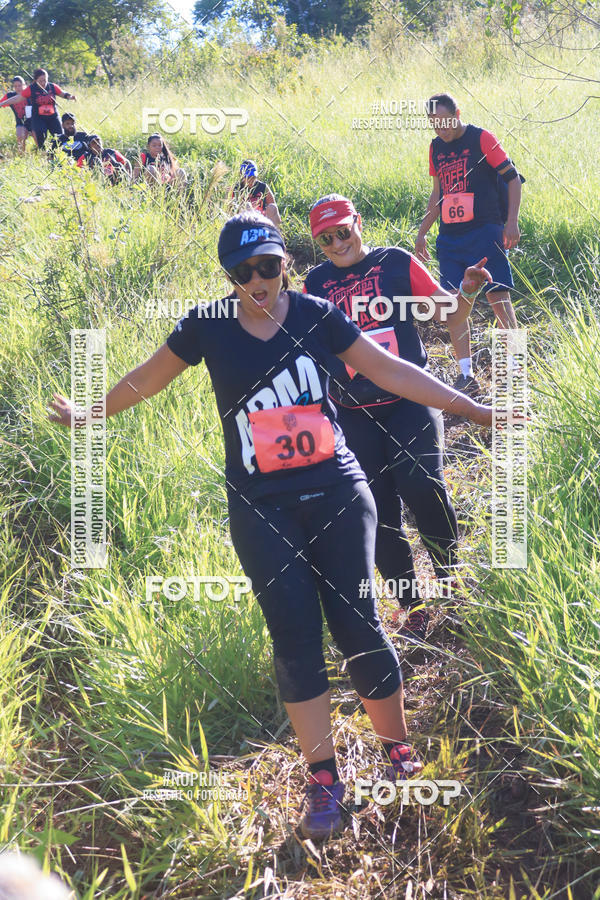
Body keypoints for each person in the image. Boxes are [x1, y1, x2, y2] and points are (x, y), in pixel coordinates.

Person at [49, 212, 492, 841]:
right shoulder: (206, 326)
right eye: (243, 271)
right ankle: (323, 777)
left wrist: (471, 407)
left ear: (286, 261)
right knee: (293, 634)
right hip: (262, 504)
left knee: (356, 619)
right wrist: (90, 413)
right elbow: (146, 378)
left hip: (339, 487)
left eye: (269, 265)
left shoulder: (317, 315)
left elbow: (389, 370)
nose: (259, 280)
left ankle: (396, 752)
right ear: (228, 275)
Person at [305, 194, 492, 640]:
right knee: (377, 509)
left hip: (410, 400)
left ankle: (451, 578)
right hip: (353, 412)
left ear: (358, 223)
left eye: (342, 231)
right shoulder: (314, 283)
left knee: (421, 484)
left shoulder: (395, 263)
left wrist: (466, 290)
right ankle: (411, 605)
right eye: (325, 238)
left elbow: (448, 314)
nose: (336, 243)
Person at [415, 93, 524, 394]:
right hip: (450, 238)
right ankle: (466, 375)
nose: (442, 129)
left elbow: (513, 179)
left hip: (485, 230)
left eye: (446, 121)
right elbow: (438, 194)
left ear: (458, 113)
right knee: (453, 305)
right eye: (434, 124)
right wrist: (423, 231)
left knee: (498, 298)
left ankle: (514, 367)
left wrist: (511, 221)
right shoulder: (435, 147)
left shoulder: (481, 138)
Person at [0, 68, 76, 150]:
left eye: (45, 80)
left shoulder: (52, 86)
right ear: (36, 80)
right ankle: (44, 153)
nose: (43, 83)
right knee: (40, 136)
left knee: (60, 136)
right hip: (39, 118)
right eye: (40, 81)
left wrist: (70, 96)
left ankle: (60, 153)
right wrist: (2, 103)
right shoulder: (31, 89)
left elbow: (62, 93)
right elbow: (17, 98)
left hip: (53, 117)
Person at [230, 160, 281, 227]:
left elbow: (274, 210)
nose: (251, 180)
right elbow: (229, 212)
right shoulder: (235, 189)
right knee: (247, 205)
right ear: (241, 176)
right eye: (248, 177)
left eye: (253, 177)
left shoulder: (263, 187)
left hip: (261, 219)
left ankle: (274, 234)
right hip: (244, 221)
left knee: (272, 207)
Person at [0, 76, 36, 152]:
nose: (18, 88)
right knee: (20, 135)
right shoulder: (10, 96)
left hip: (34, 121)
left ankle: (41, 152)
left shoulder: (30, 93)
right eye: (15, 86)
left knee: (37, 137)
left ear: (24, 84)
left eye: (20, 85)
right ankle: (21, 156)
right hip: (21, 122)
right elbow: (1, 103)